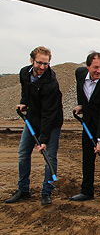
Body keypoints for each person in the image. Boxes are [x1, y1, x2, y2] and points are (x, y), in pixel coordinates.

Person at [5, 46, 63, 206]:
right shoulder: (24, 72)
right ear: (32, 60)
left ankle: (47, 192)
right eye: (40, 63)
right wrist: (24, 103)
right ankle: (23, 190)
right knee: (23, 153)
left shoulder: (51, 82)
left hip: (51, 121)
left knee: (49, 156)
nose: (43, 67)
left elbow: (48, 113)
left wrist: (43, 139)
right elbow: (26, 92)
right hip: (32, 118)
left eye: (46, 63)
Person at [70, 52, 100, 209]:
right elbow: (81, 90)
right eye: (95, 67)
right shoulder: (80, 74)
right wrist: (81, 105)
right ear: (88, 67)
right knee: (87, 157)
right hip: (89, 122)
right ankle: (87, 190)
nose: (98, 70)